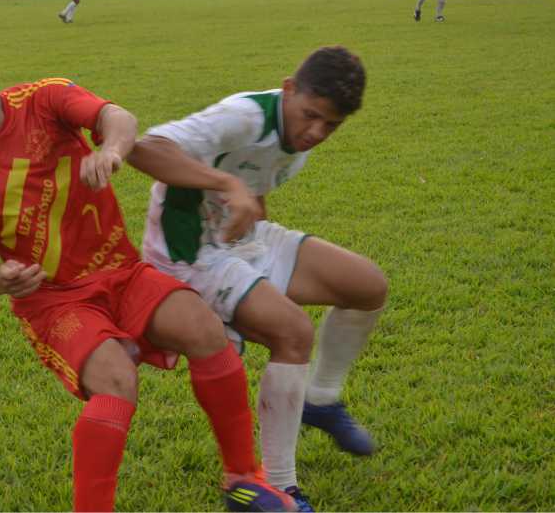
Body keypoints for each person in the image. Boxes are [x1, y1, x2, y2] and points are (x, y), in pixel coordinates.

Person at [0, 38, 296, 513]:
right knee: (116, 380)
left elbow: (118, 119)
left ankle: (242, 480)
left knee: (205, 330)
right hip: (53, 301)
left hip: (119, 271)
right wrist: (1, 279)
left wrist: (111, 151)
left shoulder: (43, 100)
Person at [128, 46, 387, 513]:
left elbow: (255, 180)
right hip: (189, 253)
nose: (316, 133)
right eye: (310, 116)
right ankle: (282, 488)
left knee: (368, 287)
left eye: (331, 125)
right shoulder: (244, 115)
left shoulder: (299, 139)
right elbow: (144, 148)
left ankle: (320, 402)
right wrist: (228, 188)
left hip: (242, 240)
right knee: (293, 332)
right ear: (288, 88)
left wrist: (249, 205)